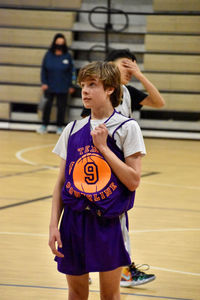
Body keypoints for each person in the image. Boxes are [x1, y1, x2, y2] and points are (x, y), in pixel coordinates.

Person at [49, 61, 146, 300]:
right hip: (73, 221)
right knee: (77, 292)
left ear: (110, 89)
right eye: (83, 85)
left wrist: (103, 147)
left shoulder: (127, 127)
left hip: (108, 221)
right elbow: (61, 183)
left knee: (110, 295)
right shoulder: (72, 129)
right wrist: (53, 225)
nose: (85, 91)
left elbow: (133, 181)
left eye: (92, 85)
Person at [80, 49, 165, 288]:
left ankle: (113, 268)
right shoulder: (97, 99)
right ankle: (117, 270)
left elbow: (159, 102)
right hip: (98, 165)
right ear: (108, 67)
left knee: (114, 220)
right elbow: (85, 133)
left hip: (119, 161)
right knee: (104, 218)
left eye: (133, 67)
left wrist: (140, 74)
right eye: (125, 66)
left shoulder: (127, 93)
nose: (129, 71)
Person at [37, 33, 75, 135]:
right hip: (49, 86)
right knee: (47, 106)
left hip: (63, 87)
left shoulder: (68, 56)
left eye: (62, 43)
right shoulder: (48, 55)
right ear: (54, 43)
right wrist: (44, 82)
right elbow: (43, 70)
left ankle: (59, 127)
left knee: (61, 107)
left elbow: (73, 72)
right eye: (58, 43)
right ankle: (44, 126)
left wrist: (72, 85)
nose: (59, 45)